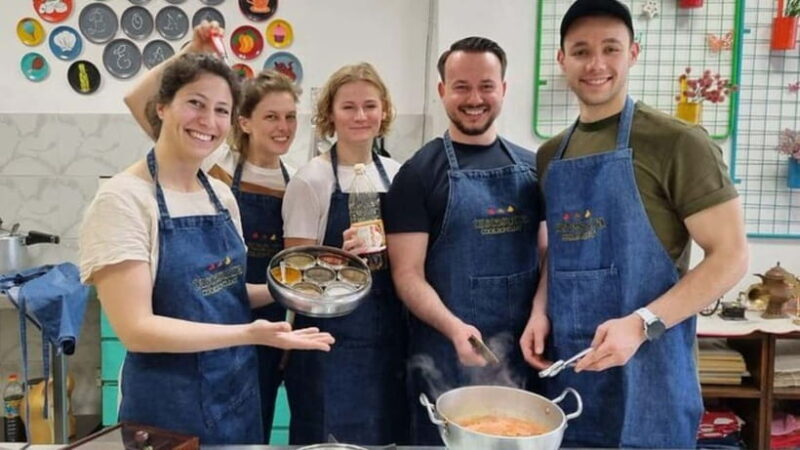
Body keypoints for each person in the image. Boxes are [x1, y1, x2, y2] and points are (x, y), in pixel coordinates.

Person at [520, 1, 749, 447]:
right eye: (582, 51)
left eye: (611, 48)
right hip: (572, 377)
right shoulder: (551, 155)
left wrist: (642, 323)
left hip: (652, 380)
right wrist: (539, 309)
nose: (597, 64)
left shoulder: (677, 143)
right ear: (562, 59)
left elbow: (732, 257)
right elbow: (563, 250)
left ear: (633, 53)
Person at [79, 52, 334, 445]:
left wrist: (294, 291)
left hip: (236, 395)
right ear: (162, 107)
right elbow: (137, 330)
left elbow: (224, 293)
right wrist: (249, 334)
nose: (208, 121)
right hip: (168, 409)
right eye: (195, 103)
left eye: (221, 110)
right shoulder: (124, 200)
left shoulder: (219, 195)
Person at [123, 22, 300, 443]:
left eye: (291, 117)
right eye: (270, 116)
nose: (282, 127)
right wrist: (191, 50)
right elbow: (139, 101)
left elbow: (232, 285)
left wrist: (298, 293)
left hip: (248, 330)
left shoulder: (278, 184)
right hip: (183, 373)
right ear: (244, 123)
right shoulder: (206, 164)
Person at [384, 37, 546, 446]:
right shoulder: (418, 174)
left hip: (525, 352)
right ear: (442, 91)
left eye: (486, 86)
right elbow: (407, 276)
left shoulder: (533, 168)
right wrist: (455, 328)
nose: (474, 98)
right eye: (461, 86)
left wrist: (541, 314)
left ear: (504, 89)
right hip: (445, 354)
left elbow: (550, 258)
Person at [281, 62, 408, 445]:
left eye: (370, 106)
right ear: (330, 115)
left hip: (388, 339)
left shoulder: (399, 174)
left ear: (384, 111)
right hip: (328, 343)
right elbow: (293, 274)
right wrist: (337, 260)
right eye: (348, 107)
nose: (360, 116)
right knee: (327, 438)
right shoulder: (311, 179)